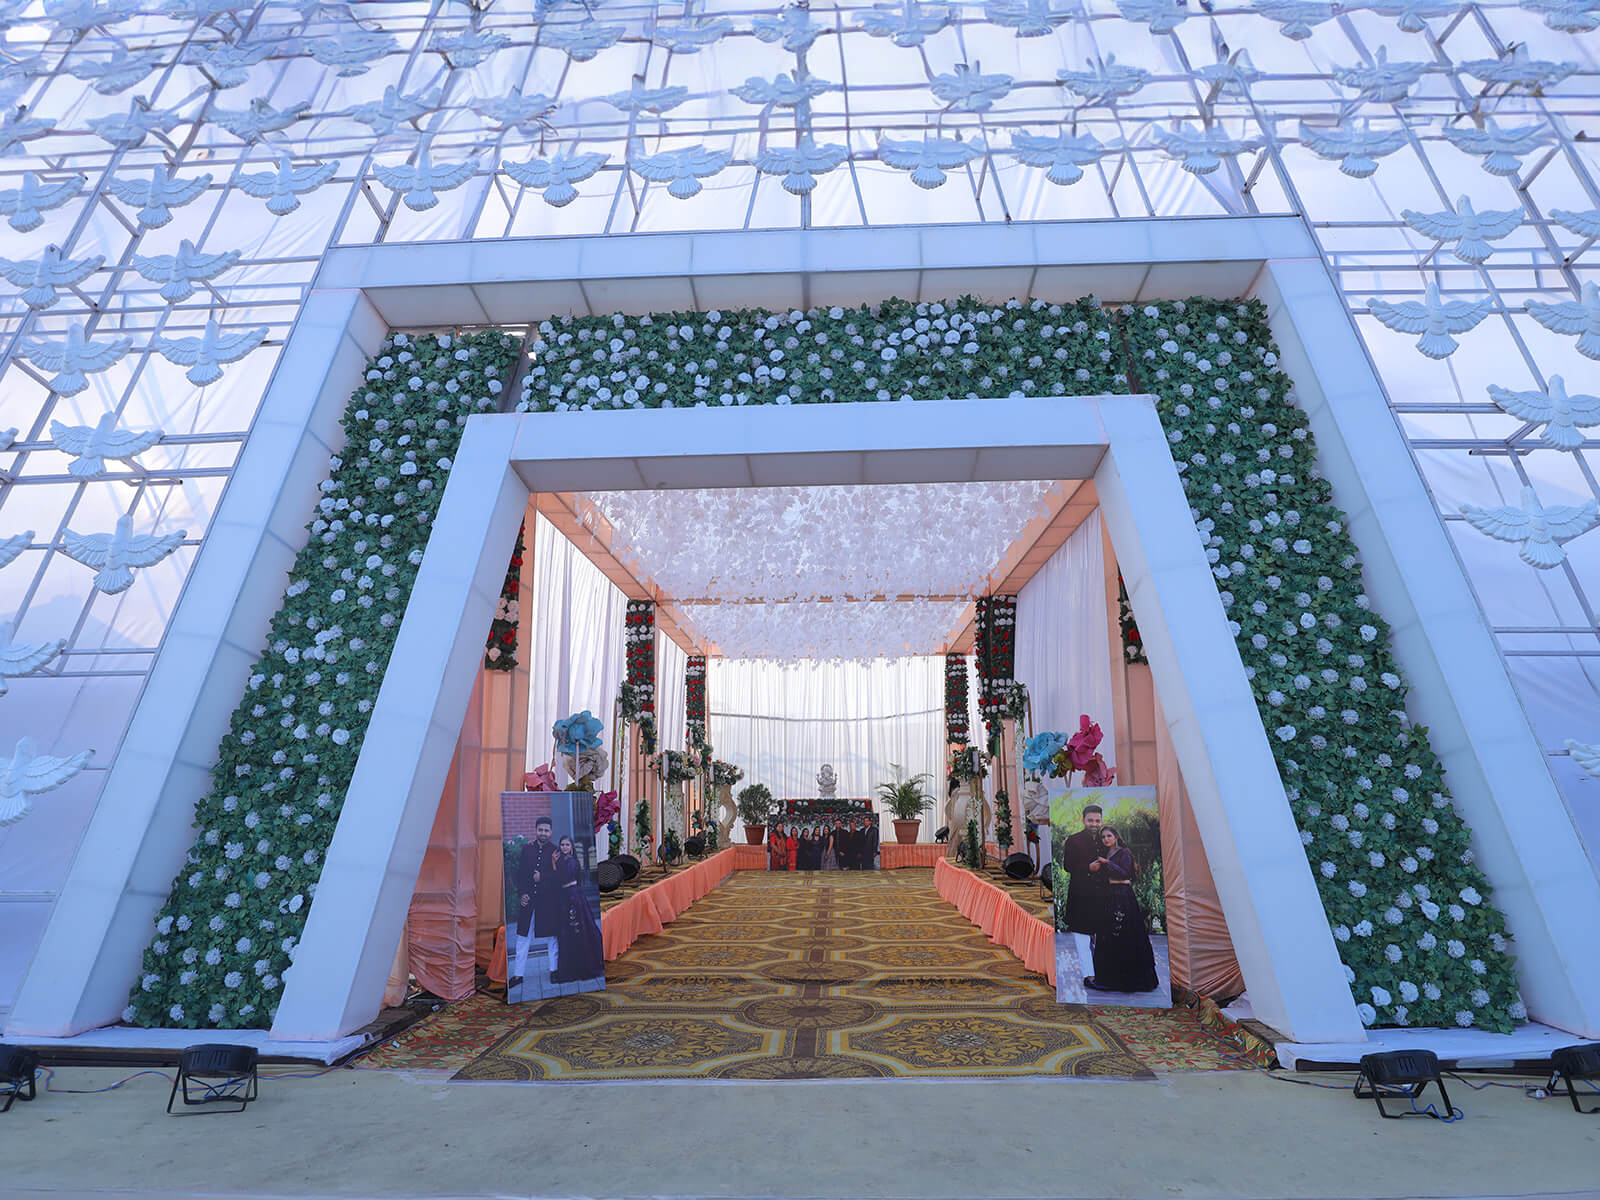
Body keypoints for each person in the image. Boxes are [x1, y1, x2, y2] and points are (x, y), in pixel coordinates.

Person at [1086, 826, 1160, 993]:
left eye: (1109, 836)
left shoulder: (1124, 853)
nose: (1106, 839)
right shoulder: (1106, 854)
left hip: (1123, 897)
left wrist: (1108, 863)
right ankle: (1108, 979)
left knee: (1126, 934)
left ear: (1116, 836)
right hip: (1111, 895)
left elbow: (1126, 873)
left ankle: (1130, 980)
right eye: (1103, 837)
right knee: (1108, 935)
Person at [511, 815, 561, 992]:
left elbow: (559, 876)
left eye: (546, 830)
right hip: (529, 900)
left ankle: (554, 971)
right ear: (536, 830)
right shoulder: (527, 849)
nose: (543, 833)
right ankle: (518, 974)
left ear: (551, 832)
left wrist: (543, 877)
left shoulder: (556, 850)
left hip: (547, 901)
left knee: (552, 937)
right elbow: (520, 874)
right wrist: (522, 893)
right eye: (540, 830)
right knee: (522, 936)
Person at [550, 835, 605, 984]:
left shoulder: (572, 861)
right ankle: (572, 967)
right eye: (562, 845)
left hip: (573, 898)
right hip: (566, 897)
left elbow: (563, 878)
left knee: (578, 930)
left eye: (567, 845)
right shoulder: (562, 860)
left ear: (572, 847)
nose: (564, 847)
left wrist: (554, 864)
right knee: (567, 933)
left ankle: (584, 967)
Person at [1057, 803, 1107, 935]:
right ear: (1083, 820)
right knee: (1082, 937)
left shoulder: (1106, 840)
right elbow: (1067, 865)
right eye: (1090, 820)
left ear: (1101, 821)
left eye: (1097, 821)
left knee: (1103, 939)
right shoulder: (1073, 840)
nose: (1094, 824)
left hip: (1102, 897)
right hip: (1081, 896)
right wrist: (1088, 867)